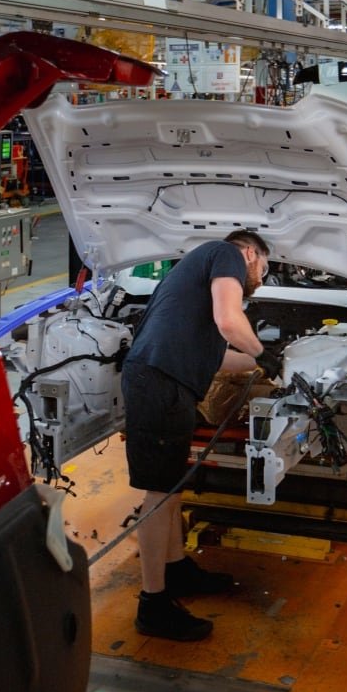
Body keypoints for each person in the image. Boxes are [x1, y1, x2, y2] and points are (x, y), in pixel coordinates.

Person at [121, 229, 280, 641]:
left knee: (172, 488)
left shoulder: (199, 295)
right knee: (159, 493)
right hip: (157, 382)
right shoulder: (224, 253)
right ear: (249, 253)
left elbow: (223, 356)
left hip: (165, 382)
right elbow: (230, 323)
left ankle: (175, 570)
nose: (261, 278)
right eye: (264, 268)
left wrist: (269, 364)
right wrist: (265, 353)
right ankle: (152, 604)